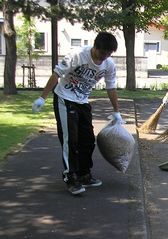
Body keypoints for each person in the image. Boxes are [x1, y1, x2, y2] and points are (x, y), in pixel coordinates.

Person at [32, 32, 123, 195]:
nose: (104, 57)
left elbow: (111, 87)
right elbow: (57, 74)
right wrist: (42, 98)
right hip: (65, 98)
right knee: (70, 141)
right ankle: (71, 178)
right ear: (95, 47)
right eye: (102, 53)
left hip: (82, 101)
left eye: (109, 54)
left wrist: (117, 111)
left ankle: (84, 174)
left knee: (88, 140)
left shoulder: (108, 64)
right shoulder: (78, 55)